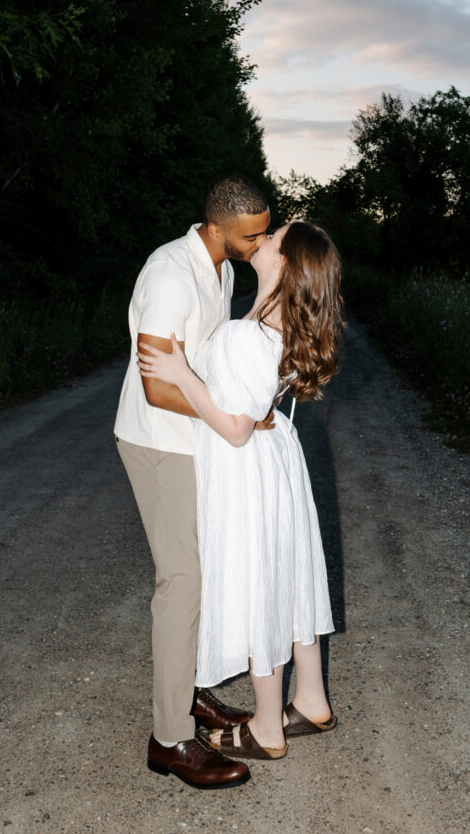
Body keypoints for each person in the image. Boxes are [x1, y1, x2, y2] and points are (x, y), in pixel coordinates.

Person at [138, 220, 343, 761]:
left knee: (261, 583)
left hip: (246, 466)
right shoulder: (276, 321)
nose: (265, 238)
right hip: (276, 461)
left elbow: (232, 427)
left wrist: (182, 373)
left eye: (275, 238)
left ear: (286, 266)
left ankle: (268, 727)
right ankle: (311, 698)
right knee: (291, 574)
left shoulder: (243, 332)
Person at [114, 173, 272, 789]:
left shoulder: (225, 268)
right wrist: (232, 418)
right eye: (250, 235)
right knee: (182, 579)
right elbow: (156, 386)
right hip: (157, 442)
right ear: (216, 226)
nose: (259, 244)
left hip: (195, 441)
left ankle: (193, 693)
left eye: (263, 233)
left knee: (207, 569)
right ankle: (170, 738)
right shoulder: (169, 274)